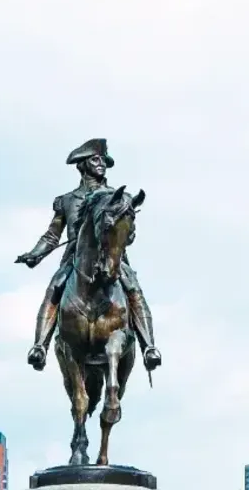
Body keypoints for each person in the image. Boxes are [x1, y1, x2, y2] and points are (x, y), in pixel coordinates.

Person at [16, 137, 162, 372]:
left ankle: (149, 347)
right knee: (54, 289)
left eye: (103, 160)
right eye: (96, 160)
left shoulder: (117, 197)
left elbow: (127, 231)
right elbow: (53, 235)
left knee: (133, 288)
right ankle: (39, 346)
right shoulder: (67, 200)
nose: (101, 164)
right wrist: (35, 254)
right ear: (82, 165)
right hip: (76, 260)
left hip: (111, 257)